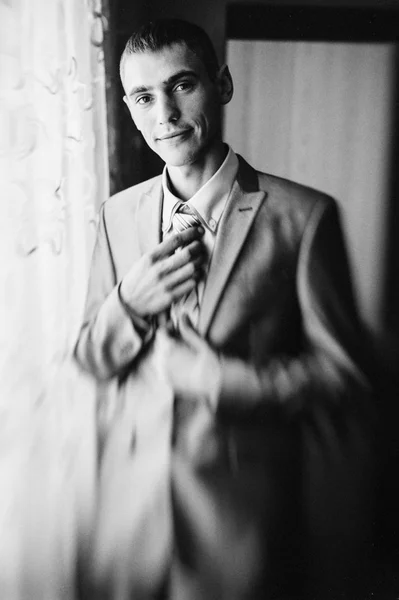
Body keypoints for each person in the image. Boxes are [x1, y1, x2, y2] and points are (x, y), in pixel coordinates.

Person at [74, 18, 374, 600]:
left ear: (223, 84)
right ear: (130, 110)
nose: (164, 112)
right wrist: (128, 305)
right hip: (127, 521)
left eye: (182, 85)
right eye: (143, 97)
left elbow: (347, 376)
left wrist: (224, 382)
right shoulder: (116, 216)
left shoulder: (304, 218)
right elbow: (89, 358)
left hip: (242, 526)